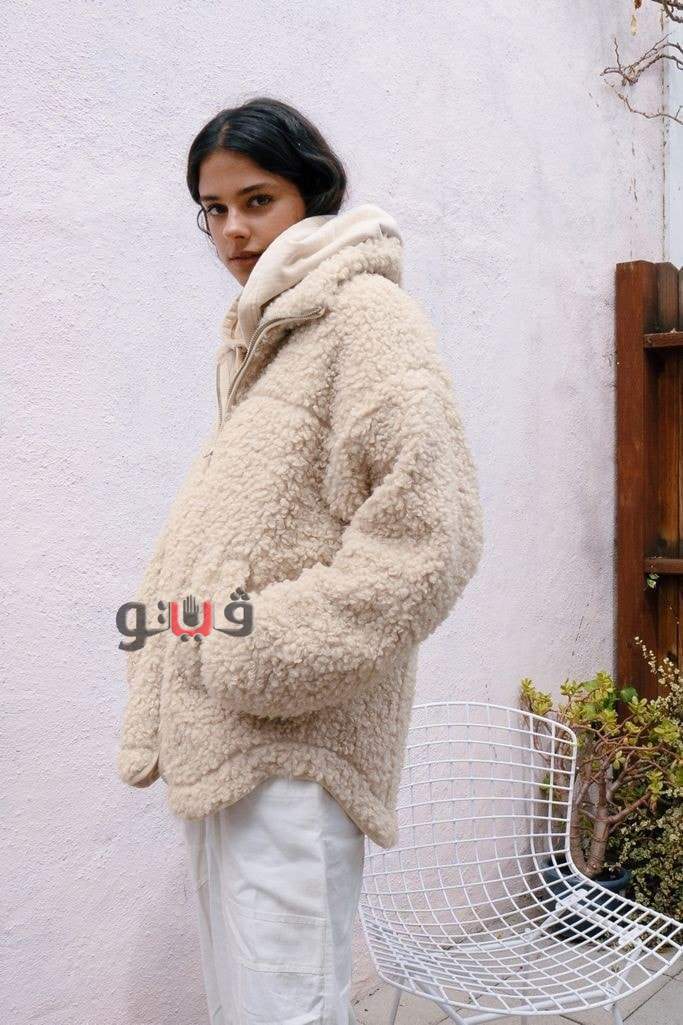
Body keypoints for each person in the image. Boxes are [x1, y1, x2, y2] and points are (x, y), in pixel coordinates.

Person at [116, 96, 484, 1025]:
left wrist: (257, 647)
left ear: (310, 195)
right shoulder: (267, 332)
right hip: (228, 733)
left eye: (257, 200)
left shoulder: (365, 317)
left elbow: (430, 536)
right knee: (248, 1003)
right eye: (213, 209)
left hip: (295, 738)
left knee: (284, 1006)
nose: (232, 231)